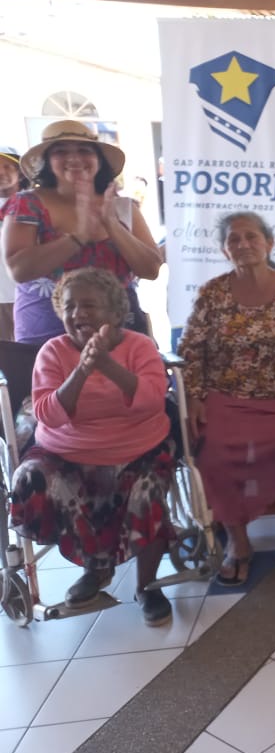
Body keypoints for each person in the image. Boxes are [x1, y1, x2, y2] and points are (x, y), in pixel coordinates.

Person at [9, 268, 175, 625]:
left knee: (146, 490)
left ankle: (147, 586)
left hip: (136, 447)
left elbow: (152, 401)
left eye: (89, 305)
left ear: (115, 312)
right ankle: (96, 569)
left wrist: (106, 365)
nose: (78, 313)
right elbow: (47, 414)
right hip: (66, 452)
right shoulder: (53, 351)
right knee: (31, 476)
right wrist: (82, 370)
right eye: (70, 306)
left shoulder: (140, 346)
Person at [178, 212, 275, 586]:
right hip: (225, 395)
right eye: (233, 239)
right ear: (224, 249)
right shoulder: (212, 293)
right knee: (212, 449)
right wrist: (194, 397)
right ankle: (238, 541)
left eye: (251, 237)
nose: (243, 244)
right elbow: (191, 349)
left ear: (269, 243)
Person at [2, 121, 162, 345]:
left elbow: (151, 270)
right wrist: (78, 237)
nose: (74, 158)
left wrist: (112, 225)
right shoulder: (27, 204)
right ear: (47, 161)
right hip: (47, 337)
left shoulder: (123, 207)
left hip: (119, 336)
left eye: (84, 150)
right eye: (61, 151)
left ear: (99, 160)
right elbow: (19, 270)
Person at [0, 145, 28, 341]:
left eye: (8, 166)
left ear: (20, 172)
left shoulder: (35, 205)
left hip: (29, 297)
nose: (1, 172)